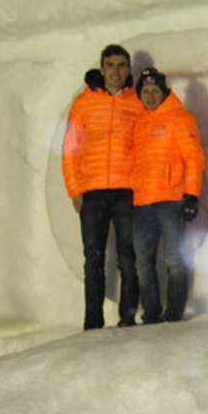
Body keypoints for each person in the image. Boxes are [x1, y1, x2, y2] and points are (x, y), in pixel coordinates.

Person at [62, 44, 143, 330]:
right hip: (92, 192)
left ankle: (127, 318)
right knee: (93, 260)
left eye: (122, 65)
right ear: (102, 67)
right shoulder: (83, 103)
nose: (116, 71)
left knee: (128, 257)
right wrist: (75, 191)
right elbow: (70, 150)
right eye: (111, 65)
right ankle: (92, 323)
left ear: (128, 69)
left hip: (127, 190)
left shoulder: (137, 102)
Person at [129, 66, 205, 324]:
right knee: (143, 262)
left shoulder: (180, 118)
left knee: (174, 259)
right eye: (146, 91)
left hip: (171, 201)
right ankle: (150, 313)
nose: (150, 95)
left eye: (154, 90)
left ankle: (173, 313)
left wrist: (191, 195)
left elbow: (194, 158)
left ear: (164, 92)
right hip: (141, 203)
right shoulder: (138, 123)